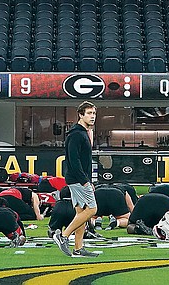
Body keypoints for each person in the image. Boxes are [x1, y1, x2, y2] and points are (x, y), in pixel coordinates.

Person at [52, 101, 99, 258]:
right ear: (81, 115)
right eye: (89, 113)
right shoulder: (76, 134)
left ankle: (78, 248)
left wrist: (88, 180)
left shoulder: (82, 133)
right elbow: (73, 160)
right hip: (78, 179)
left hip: (79, 179)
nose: (92, 116)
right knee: (92, 210)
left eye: (94, 113)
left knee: (82, 213)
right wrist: (85, 181)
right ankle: (63, 236)